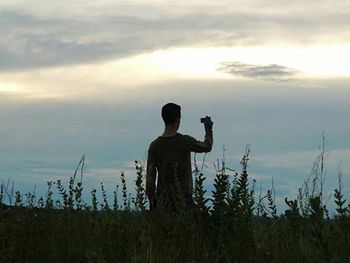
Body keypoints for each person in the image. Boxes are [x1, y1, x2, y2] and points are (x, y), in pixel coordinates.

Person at [146, 102, 213, 211]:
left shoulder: (154, 146)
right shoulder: (185, 141)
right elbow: (207, 146)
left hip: (163, 201)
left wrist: (152, 201)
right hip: (184, 200)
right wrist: (208, 129)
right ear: (177, 119)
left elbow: (150, 178)